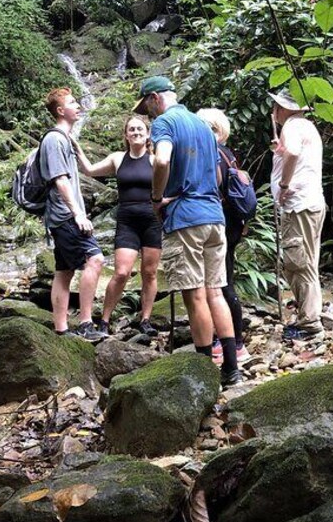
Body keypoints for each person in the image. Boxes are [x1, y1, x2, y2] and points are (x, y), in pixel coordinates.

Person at [135, 76, 243, 385]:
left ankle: (204, 372)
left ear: (156, 98)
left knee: (195, 296)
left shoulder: (165, 123)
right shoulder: (202, 127)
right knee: (215, 292)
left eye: (146, 107)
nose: (147, 114)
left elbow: (162, 160)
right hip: (214, 218)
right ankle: (231, 369)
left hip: (186, 219)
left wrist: (157, 198)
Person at [71, 117, 161, 337]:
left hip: (152, 220)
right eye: (131, 129)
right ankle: (104, 319)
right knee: (121, 272)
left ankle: (145, 319)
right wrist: (76, 146)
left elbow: (169, 185)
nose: (136, 132)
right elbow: (90, 171)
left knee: (149, 273)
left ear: (148, 134)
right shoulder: (117, 158)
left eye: (140, 129)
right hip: (127, 221)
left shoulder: (156, 160)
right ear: (126, 135)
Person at [40, 87, 107, 340]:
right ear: (60, 111)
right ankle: (86, 323)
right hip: (65, 215)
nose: (78, 105)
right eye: (72, 102)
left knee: (64, 271)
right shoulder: (55, 140)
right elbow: (60, 180)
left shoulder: (64, 139)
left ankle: (61, 329)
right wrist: (78, 213)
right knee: (95, 260)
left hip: (59, 216)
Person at [269, 89, 326, 340]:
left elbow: (293, 152)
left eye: (275, 107)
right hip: (309, 203)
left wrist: (283, 185)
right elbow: (293, 153)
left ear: (282, 109)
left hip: (298, 205)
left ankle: (309, 323)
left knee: (299, 264)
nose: (273, 112)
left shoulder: (292, 125)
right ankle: (309, 315)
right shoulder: (307, 126)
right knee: (305, 262)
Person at [196, 108, 250, 365]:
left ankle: (235, 343)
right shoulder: (228, 153)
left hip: (221, 223)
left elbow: (215, 185)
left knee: (221, 283)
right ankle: (230, 339)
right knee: (223, 281)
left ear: (215, 130)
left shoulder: (214, 154)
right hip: (232, 223)